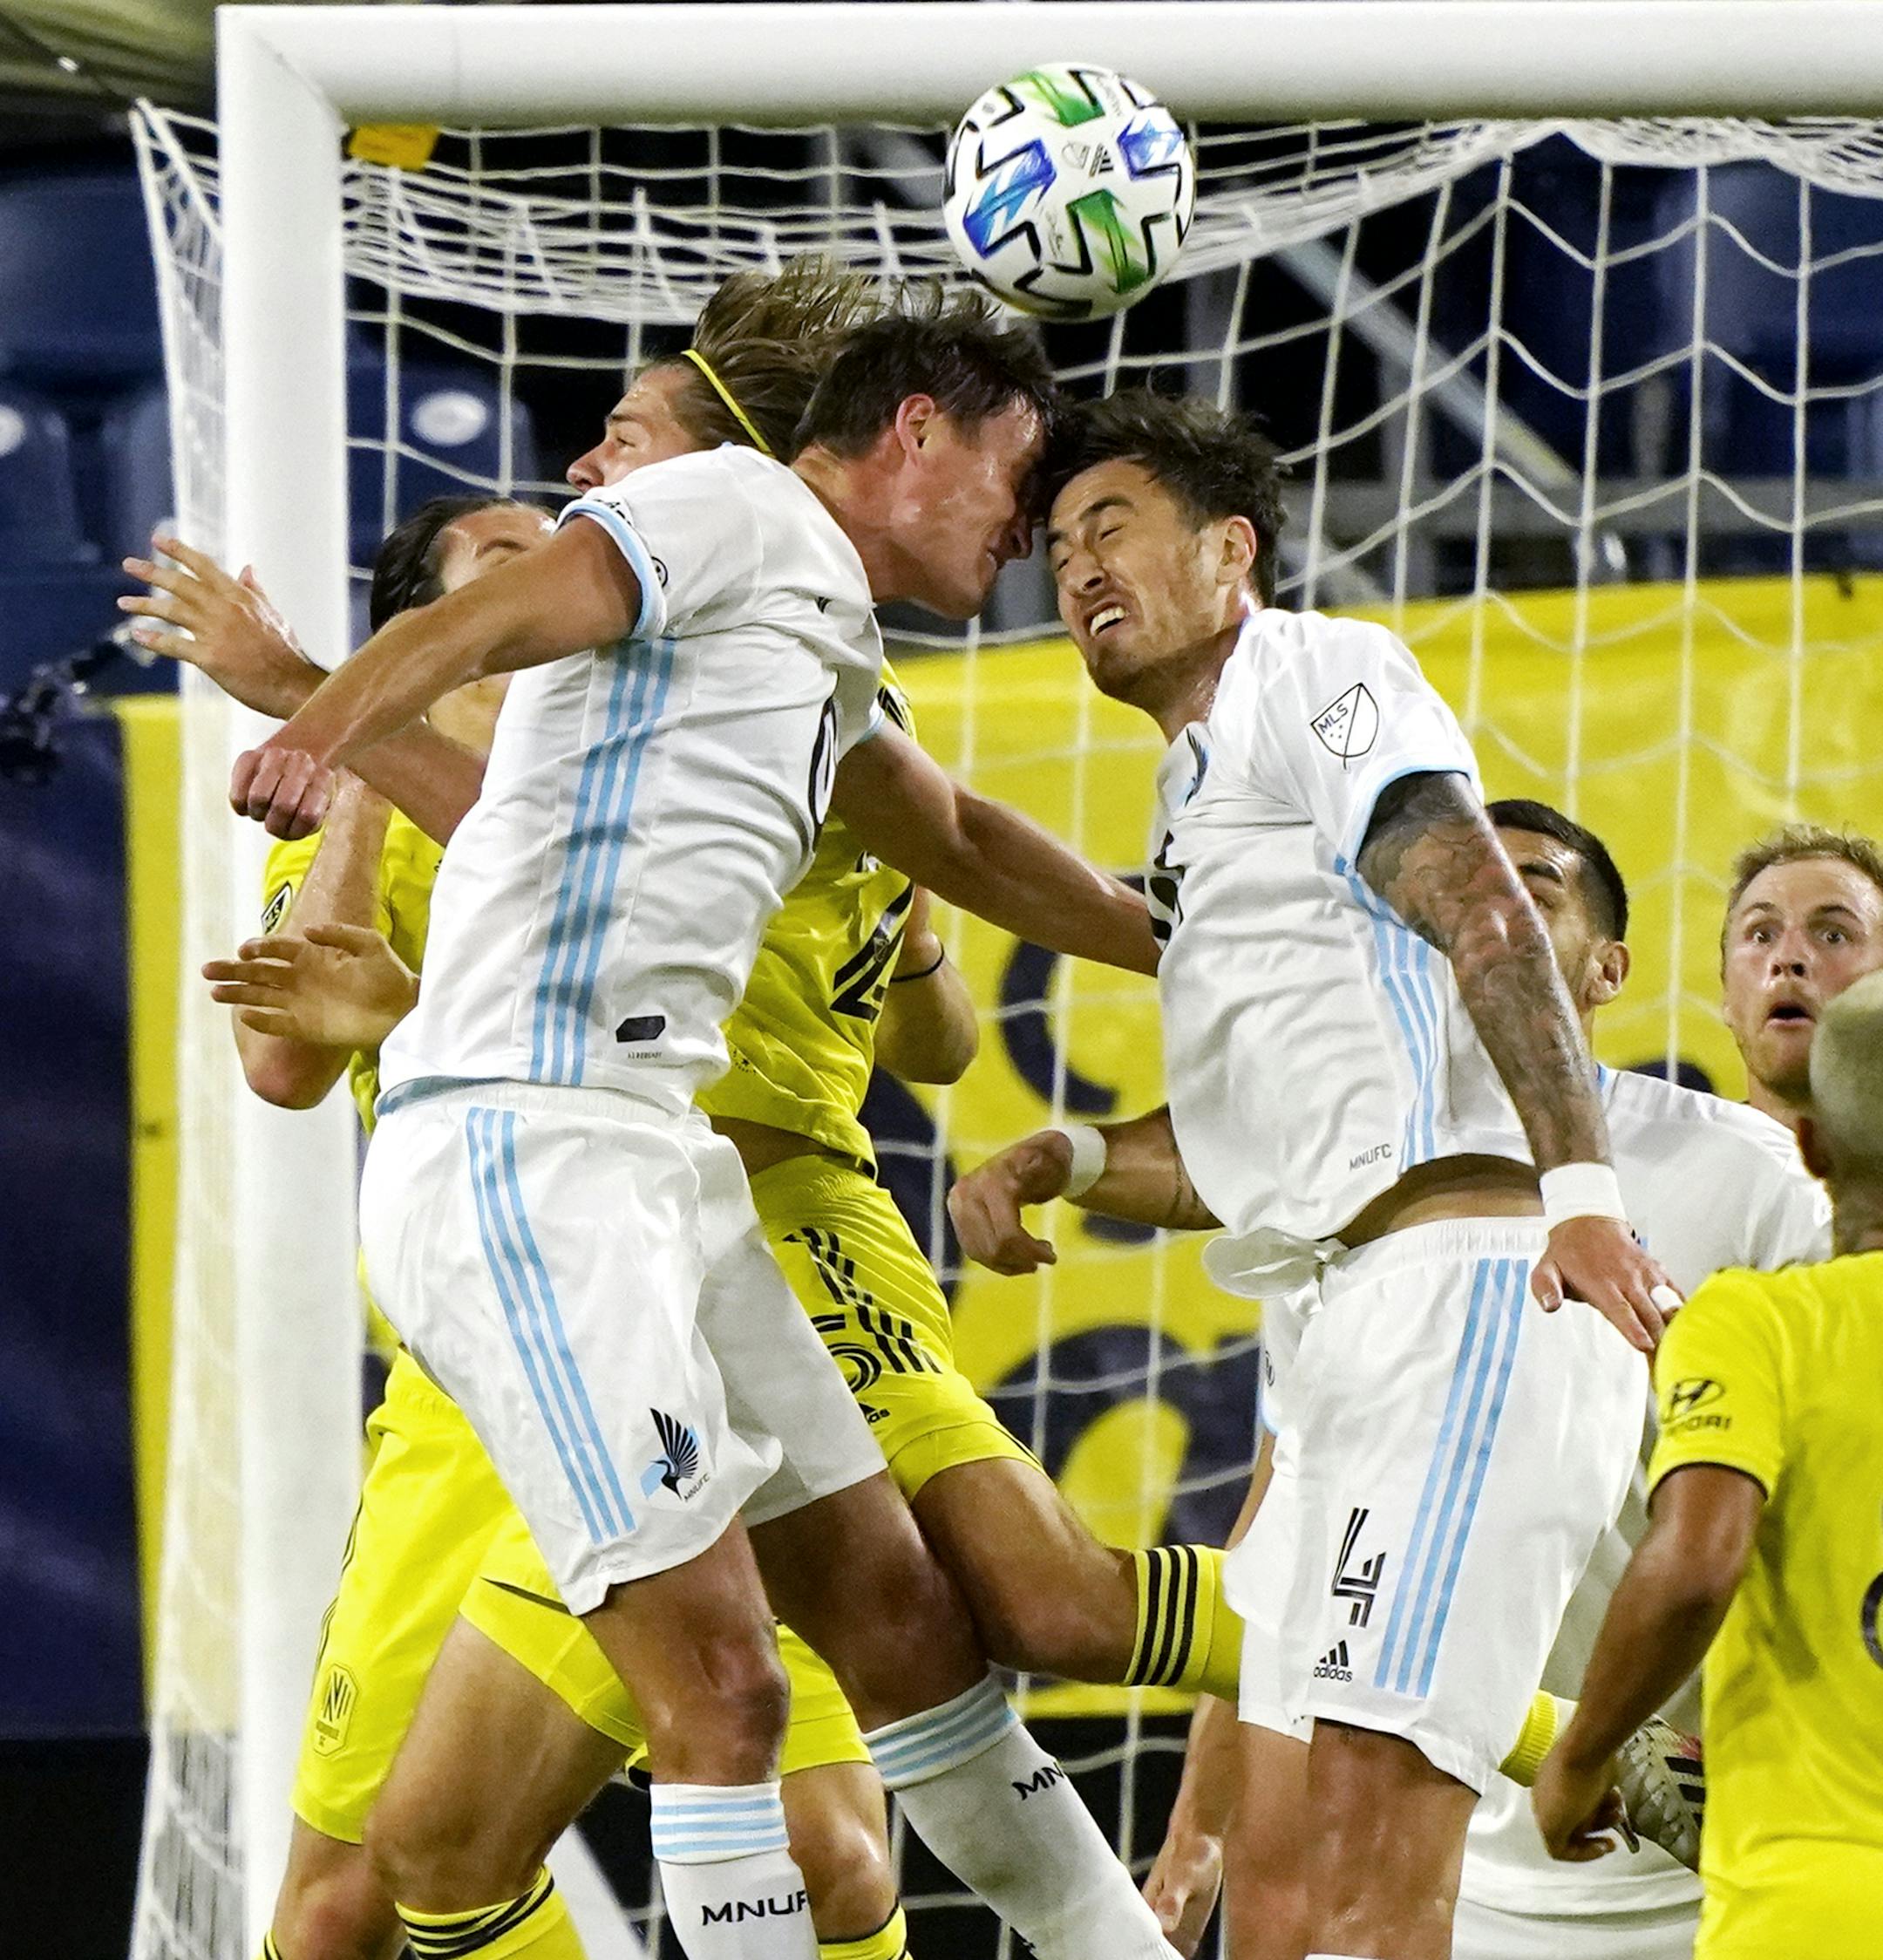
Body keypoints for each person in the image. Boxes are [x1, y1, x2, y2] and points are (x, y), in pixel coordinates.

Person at [219, 295, 1184, 1960]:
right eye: (1018, 475)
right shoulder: (726, 504)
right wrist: (321, 720)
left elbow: (958, 832)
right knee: (723, 1689)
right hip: (524, 1156)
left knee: (901, 1625)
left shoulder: (819, 632)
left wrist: (1206, 932)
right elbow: (523, 602)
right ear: (915, 430)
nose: (1026, 528)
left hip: (659, 1167)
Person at [1028, 389, 1676, 1960]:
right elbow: (1254, 1161)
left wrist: (1583, 1193)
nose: (1075, 570)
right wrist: (1061, 1158)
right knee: (1287, 1887)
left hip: (1465, 1300)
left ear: (1230, 545)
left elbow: (1484, 906)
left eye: (1111, 526)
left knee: (1380, 1873)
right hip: (1332, 1327)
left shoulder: (1315, 672)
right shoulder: (1193, 801)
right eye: (1053, 549)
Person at [956, 799, 1831, 1960]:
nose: (1485, 915)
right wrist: (1200, 1831)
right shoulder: (1355, 1205)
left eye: (1536, 891)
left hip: (1702, 1877)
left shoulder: (1742, 1179)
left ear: (1611, 969)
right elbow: (1293, 1527)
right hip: (1478, 1880)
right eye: (1455, 896)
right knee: (1062, 1611)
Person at [1533, 967, 1883, 1959]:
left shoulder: (1758, 1322)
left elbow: (1693, 1562)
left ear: (1809, 1145)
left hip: (1814, 1906)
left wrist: (1582, 1755)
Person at [1718, 823, 1883, 1129]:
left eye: (1834, 935)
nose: (1787, 958)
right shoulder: (1664, 1169)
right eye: (1762, 935)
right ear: (1726, 995)